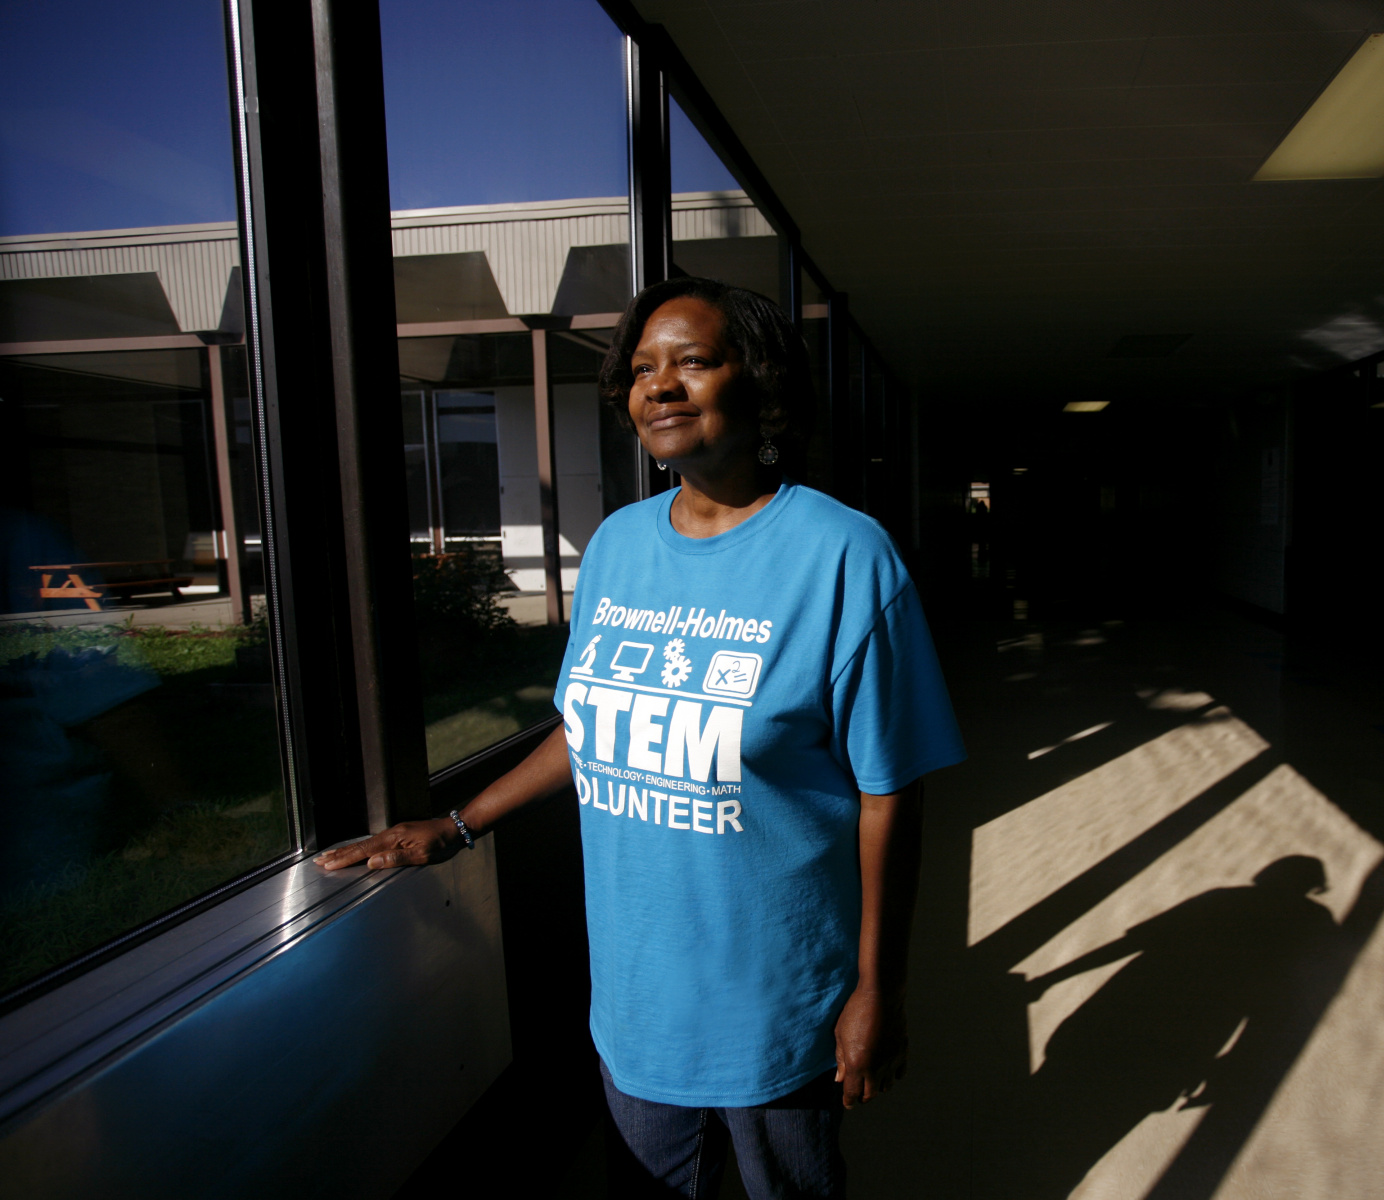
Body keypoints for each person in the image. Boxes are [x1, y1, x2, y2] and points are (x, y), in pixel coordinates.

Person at [316, 276, 964, 1199]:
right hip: (635, 1000)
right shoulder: (617, 546)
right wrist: (458, 825)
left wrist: (877, 991)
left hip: (774, 1001)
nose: (659, 385)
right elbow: (592, 729)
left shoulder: (844, 556)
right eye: (640, 369)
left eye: (693, 361)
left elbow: (890, 791)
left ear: (761, 382)